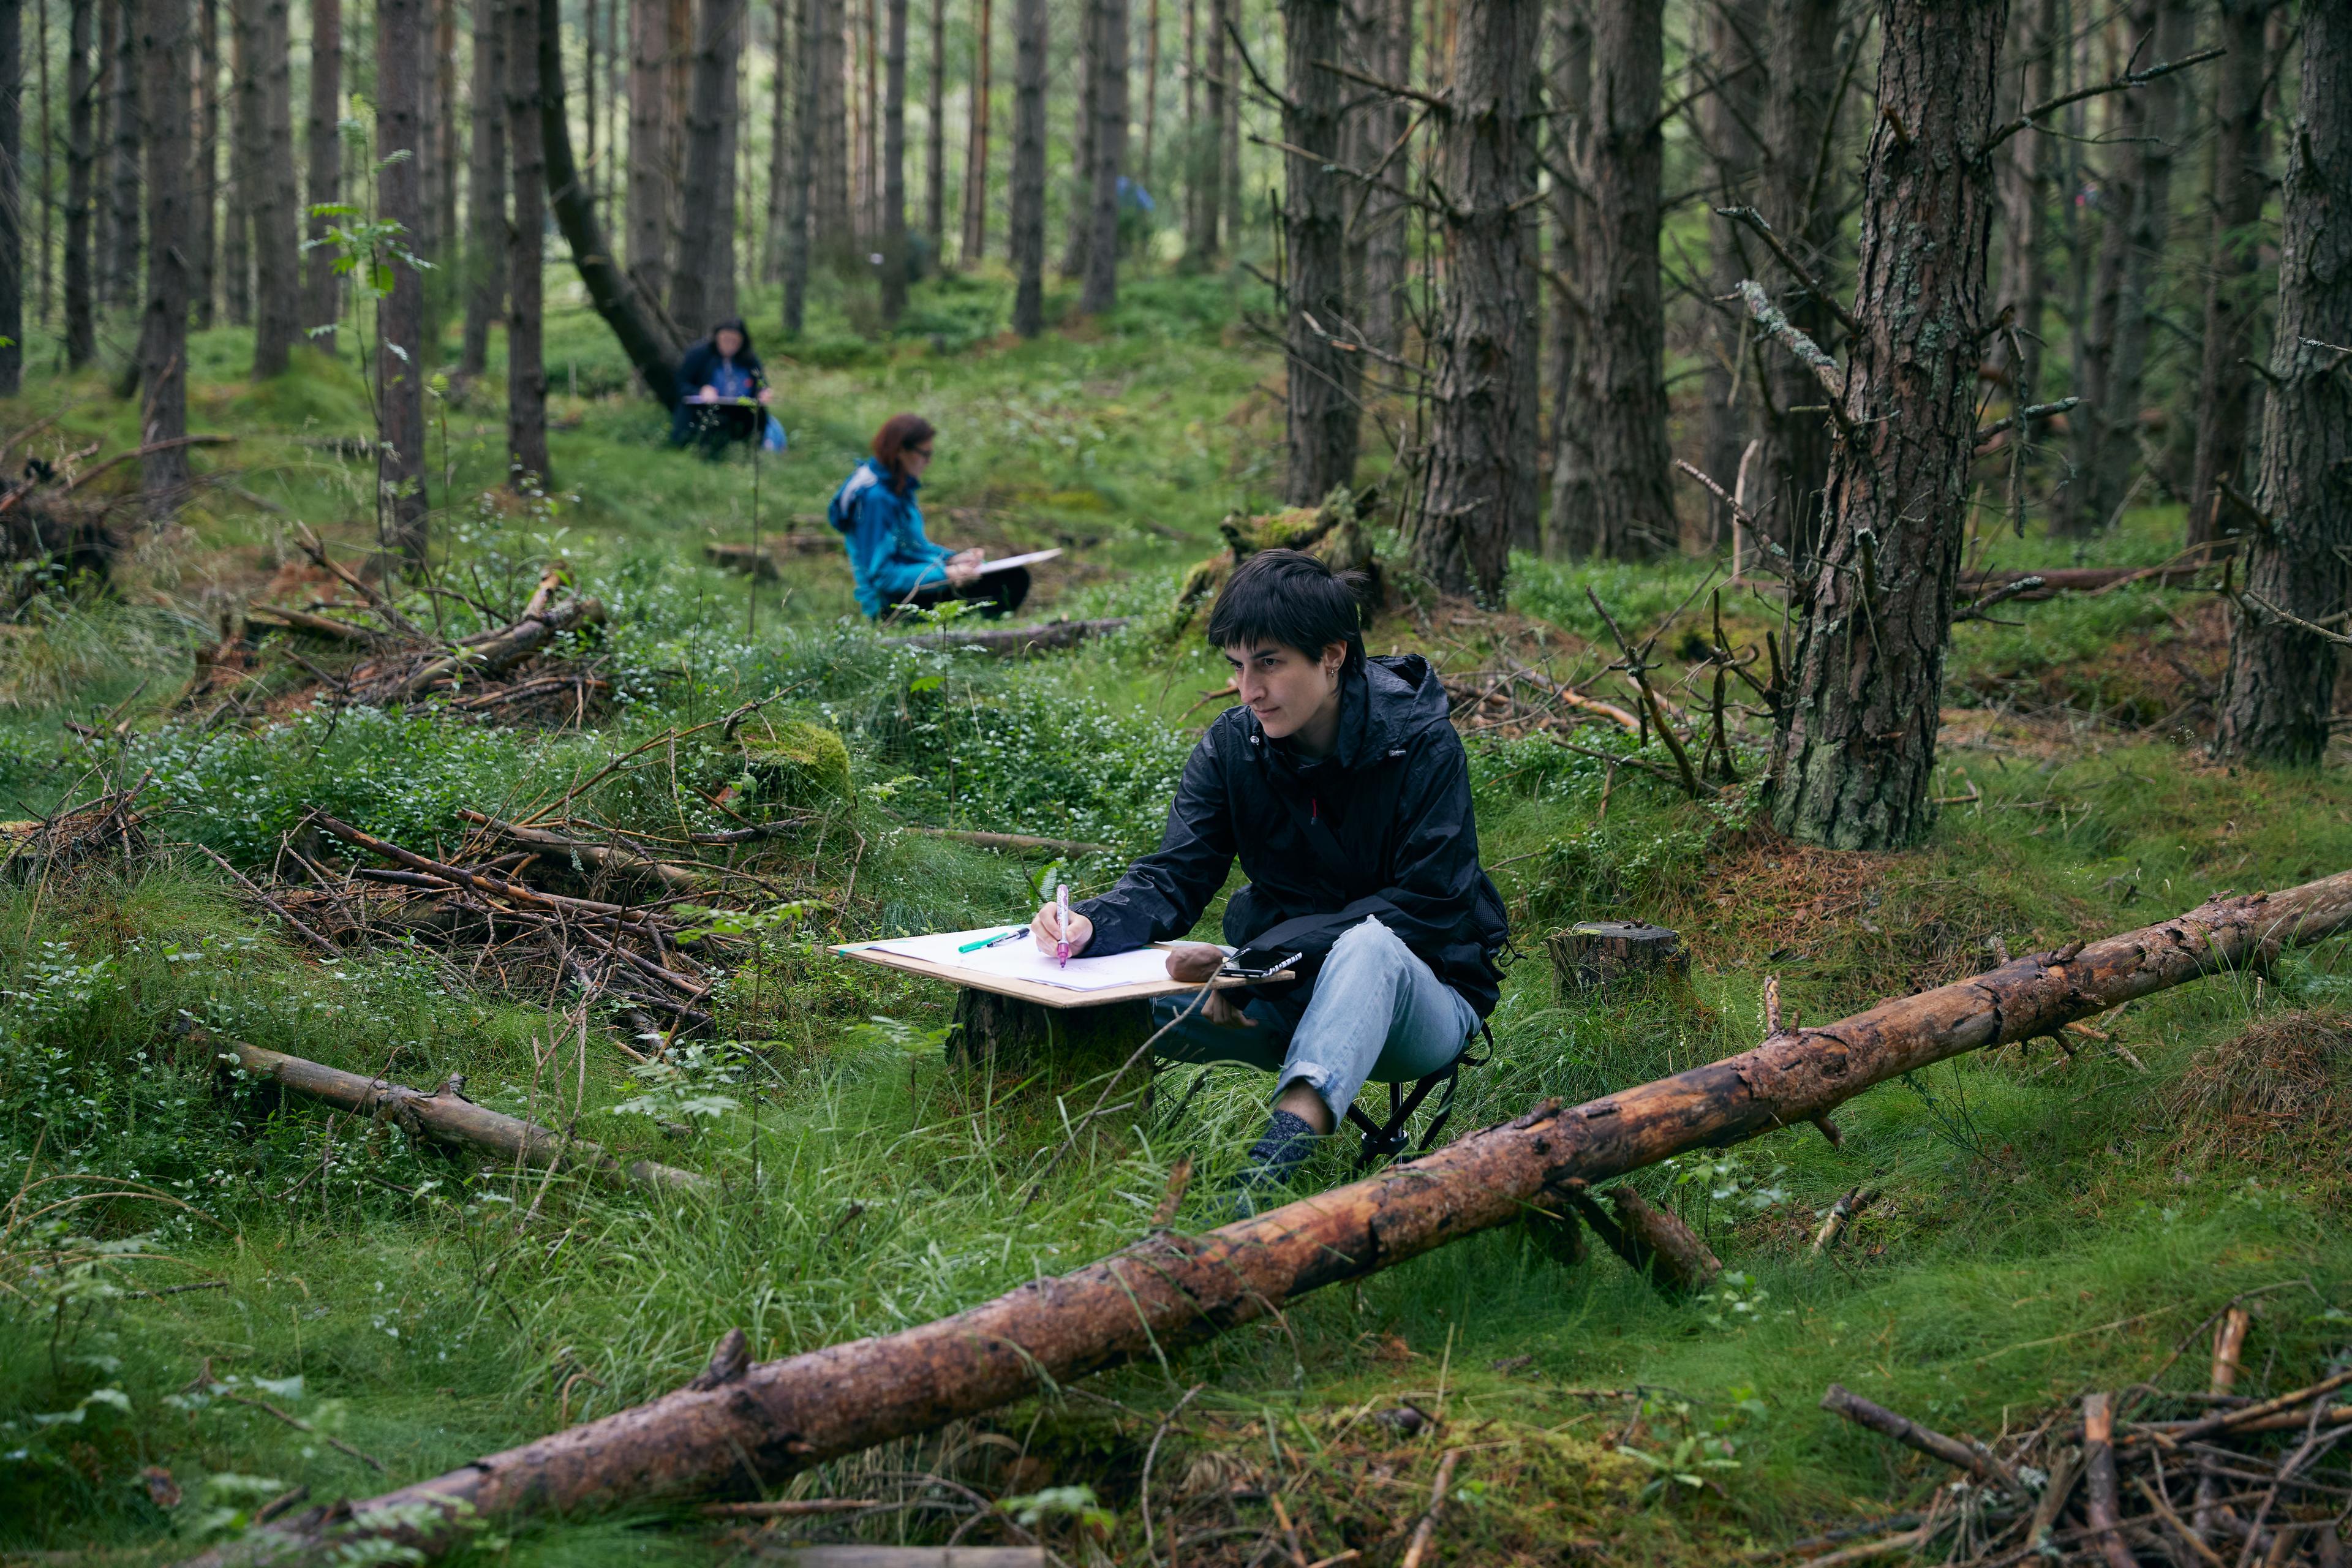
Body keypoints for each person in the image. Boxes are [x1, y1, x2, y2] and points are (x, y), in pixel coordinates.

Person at [1027, 549, 1509, 1212]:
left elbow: (1433, 903)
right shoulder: (1233, 746)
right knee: (1087, 997)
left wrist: (1258, 962)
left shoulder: (1421, 742)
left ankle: (1261, 1182)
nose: (1248, 689)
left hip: (1420, 1001)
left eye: (1270, 663)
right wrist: (1090, 923)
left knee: (1369, 946)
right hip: (1274, 991)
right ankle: (1075, 1178)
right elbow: (1176, 873)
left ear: (1333, 656)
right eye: (1236, 666)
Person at [828, 413, 1031, 620]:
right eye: (924, 454)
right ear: (901, 450)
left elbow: (915, 549)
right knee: (1010, 581)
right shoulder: (875, 499)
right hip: (891, 604)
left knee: (1005, 576)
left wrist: (952, 559)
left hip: (913, 588)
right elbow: (884, 576)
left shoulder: (897, 488)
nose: (928, 461)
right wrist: (947, 575)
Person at [669, 319, 777, 454]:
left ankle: (751, 449)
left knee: (759, 413)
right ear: (717, 338)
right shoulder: (699, 354)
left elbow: (761, 383)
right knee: (717, 419)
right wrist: (700, 391)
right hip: (706, 409)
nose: (730, 345)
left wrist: (764, 392)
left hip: (740, 409)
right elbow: (680, 384)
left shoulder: (749, 359)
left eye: (735, 341)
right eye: (726, 339)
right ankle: (705, 450)